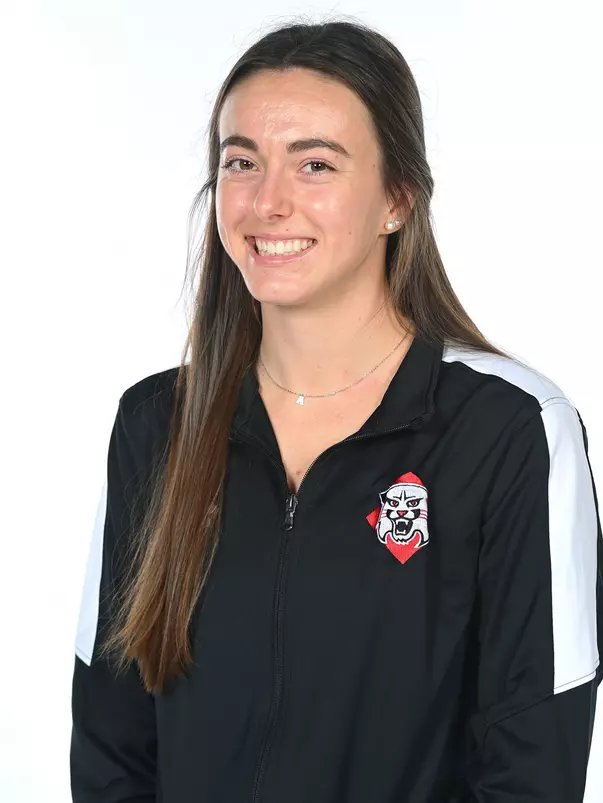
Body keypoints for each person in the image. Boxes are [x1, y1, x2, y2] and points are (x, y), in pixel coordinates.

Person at [70, 17, 603, 803]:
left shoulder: (508, 431)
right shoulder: (156, 424)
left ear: (396, 198)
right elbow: (112, 747)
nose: (267, 202)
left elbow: (531, 768)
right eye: (240, 162)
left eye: (314, 164)